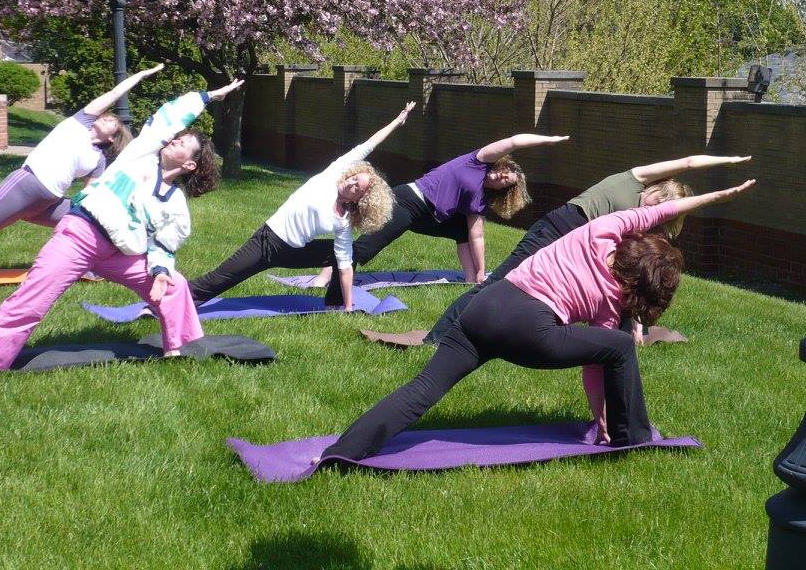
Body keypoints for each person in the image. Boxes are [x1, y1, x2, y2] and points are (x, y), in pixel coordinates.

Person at [319, 179, 756, 462]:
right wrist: (602, 418)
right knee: (621, 347)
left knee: (423, 390)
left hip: (483, 309)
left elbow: (652, 213)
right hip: (529, 330)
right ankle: (632, 437)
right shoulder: (611, 304)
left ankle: (344, 450)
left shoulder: (600, 229)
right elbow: (598, 365)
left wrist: (716, 194)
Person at [0, 77, 245, 381]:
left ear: (189, 166)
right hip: (80, 235)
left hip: (119, 254)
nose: (175, 140)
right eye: (177, 138)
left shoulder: (174, 202)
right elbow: (169, 116)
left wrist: (160, 272)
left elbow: (165, 243)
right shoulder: (142, 153)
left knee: (174, 285)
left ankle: (180, 347)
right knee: (34, 297)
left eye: (183, 144)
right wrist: (208, 95)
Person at [423, 154, 752, 344]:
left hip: (571, 253)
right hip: (555, 229)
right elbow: (689, 162)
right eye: (661, 197)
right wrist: (730, 161)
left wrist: (636, 323)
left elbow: (625, 276)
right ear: (656, 186)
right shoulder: (633, 179)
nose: (656, 204)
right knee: (499, 284)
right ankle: (438, 336)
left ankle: (628, 339)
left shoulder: (640, 225)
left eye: (668, 207)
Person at [0, 66, 169, 288]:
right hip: (24, 186)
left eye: (114, 122)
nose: (108, 117)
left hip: (49, 202)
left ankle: (92, 267)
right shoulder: (78, 122)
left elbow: (88, 195)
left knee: (92, 224)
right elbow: (113, 95)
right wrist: (141, 76)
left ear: (112, 138)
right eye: (107, 115)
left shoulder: (98, 160)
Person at [186, 102, 415, 312]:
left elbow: (345, 266)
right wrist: (397, 121)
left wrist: (348, 306)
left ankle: (333, 304)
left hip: (292, 252)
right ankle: (174, 300)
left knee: (344, 255)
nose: (352, 182)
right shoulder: (333, 174)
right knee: (220, 279)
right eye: (355, 178)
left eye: (357, 188)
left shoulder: (343, 219)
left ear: (360, 201)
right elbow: (369, 145)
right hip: (268, 242)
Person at [314, 134, 571, 307]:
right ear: (499, 165)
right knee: (367, 248)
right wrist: (548, 140)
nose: (502, 177)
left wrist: (483, 272)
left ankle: (472, 279)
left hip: (430, 215)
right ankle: (327, 274)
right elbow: (514, 141)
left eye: (506, 182)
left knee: (462, 228)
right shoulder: (478, 161)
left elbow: (476, 235)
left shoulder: (480, 200)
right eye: (504, 172)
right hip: (410, 200)